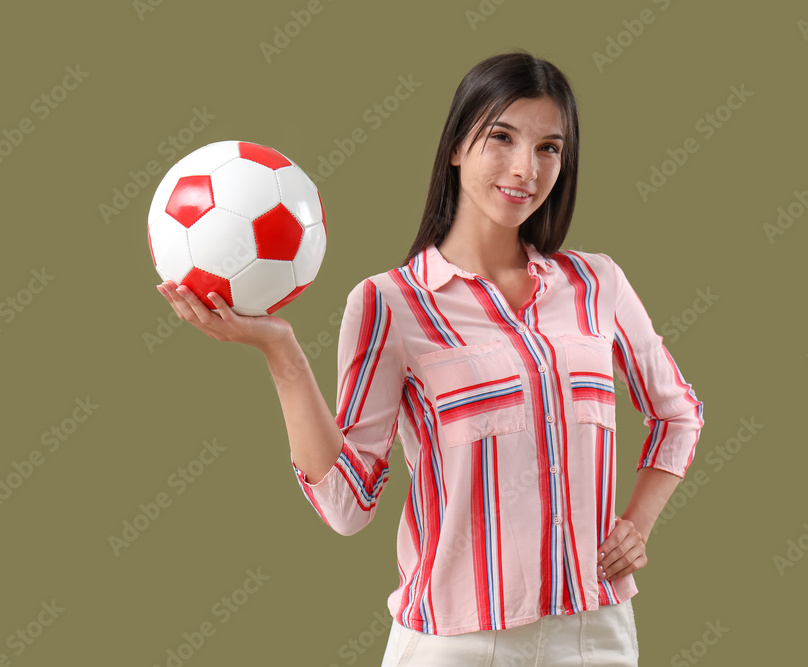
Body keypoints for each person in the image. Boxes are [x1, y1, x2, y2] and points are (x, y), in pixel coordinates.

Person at [156, 49, 703, 667]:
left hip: (595, 634)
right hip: (456, 644)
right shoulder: (391, 304)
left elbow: (678, 413)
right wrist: (281, 352)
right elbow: (346, 506)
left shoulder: (596, 283)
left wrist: (638, 522)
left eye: (549, 148)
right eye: (502, 137)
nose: (526, 168)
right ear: (455, 147)